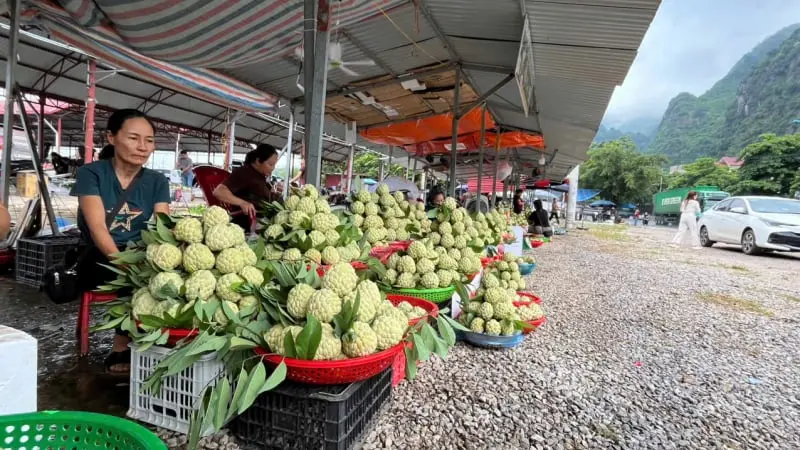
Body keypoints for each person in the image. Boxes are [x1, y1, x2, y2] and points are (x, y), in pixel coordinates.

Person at [70, 109, 170, 375]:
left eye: (149, 140)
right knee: (133, 278)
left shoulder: (158, 181)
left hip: (137, 252)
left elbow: (162, 227)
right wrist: (126, 266)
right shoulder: (91, 174)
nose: (142, 147)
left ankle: (168, 337)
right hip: (98, 254)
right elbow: (98, 228)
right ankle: (120, 346)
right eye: (134, 138)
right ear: (111, 137)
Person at [213, 144, 282, 230]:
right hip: (247, 223)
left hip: (262, 219)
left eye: (274, 165)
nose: (273, 168)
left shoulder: (260, 175)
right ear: (258, 161)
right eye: (270, 164)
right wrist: (242, 203)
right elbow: (219, 192)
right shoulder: (244, 173)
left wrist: (277, 193)